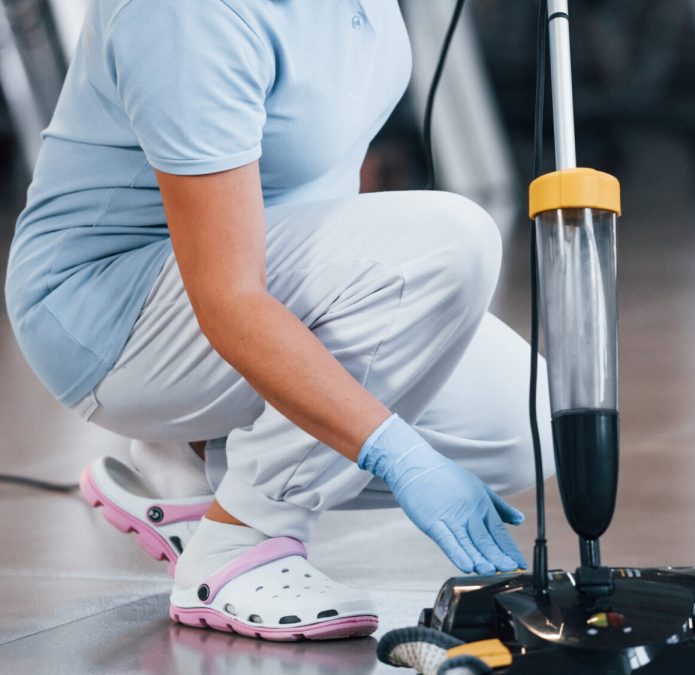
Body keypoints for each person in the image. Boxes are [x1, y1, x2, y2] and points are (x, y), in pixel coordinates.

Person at [4, 0, 552, 641]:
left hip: (244, 276)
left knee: (524, 423)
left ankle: (196, 459)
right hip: (110, 318)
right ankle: (240, 541)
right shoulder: (187, 17)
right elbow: (229, 299)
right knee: (450, 242)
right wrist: (396, 453)